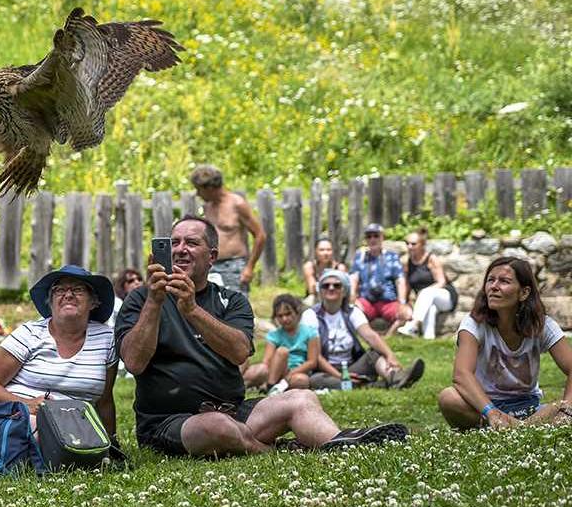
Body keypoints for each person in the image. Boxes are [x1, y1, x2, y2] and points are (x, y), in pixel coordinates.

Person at [115, 217, 406, 458]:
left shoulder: (232, 301)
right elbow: (134, 362)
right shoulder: (141, 299)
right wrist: (155, 302)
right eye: (174, 243)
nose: (180, 250)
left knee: (302, 398)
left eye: (191, 243)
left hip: (234, 412)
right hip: (169, 422)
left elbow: (239, 352)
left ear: (212, 257)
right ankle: (275, 452)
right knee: (217, 427)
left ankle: (341, 443)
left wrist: (192, 310)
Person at [0, 265, 120, 452]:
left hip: (74, 426)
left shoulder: (106, 339)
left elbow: (105, 400)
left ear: (93, 302)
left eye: (78, 289)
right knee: (39, 431)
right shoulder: (29, 334)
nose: (68, 295)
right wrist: (26, 404)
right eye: (59, 290)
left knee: (64, 441)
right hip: (14, 415)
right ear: (50, 302)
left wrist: (111, 445)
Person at [436, 256, 572, 430]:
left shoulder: (542, 325)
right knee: (448, 398)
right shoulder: (474, 324)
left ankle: (514, 429)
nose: (494, 286)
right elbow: (461, 375)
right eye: (490, 280)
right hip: (484, 407)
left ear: (524, 293)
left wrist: (566, 410)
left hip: (530, 408)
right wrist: (492, 412)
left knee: (563, 405)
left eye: (504, 281)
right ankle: (524, 429)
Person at [292, 269, 422, 390]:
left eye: (337, 285)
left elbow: (370, 336)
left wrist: (390, 356)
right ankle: (371, 385)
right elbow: (315, 355)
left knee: (374, 354)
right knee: (315, 380)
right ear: (320, 291)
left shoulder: (352, 312)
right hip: (325, 369)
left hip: (351, 366)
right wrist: (339, 376)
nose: (331, 288)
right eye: (326, 286)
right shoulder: (311, 315)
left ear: (344, 291)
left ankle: (396, 377)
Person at [190, 164, 266, 293]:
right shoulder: (207, 207)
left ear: (209, 188)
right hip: (211, 265)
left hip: (234, 266)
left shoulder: (237, 204)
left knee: (234, 303)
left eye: (199, 189)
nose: (197, 194)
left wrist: (250, 267)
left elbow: (260, 235)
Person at [241, 294, 319, 391]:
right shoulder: (274, 335)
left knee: (301, 381)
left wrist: (291, 373)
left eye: (288, 314)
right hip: (276, 370)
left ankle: (273, 386)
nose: (284, 319)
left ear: (297, 312)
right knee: (281, 353)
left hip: (297, 371)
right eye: (280, 316)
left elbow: (312, 362)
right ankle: (270, 385)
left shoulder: (310, 333)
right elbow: (267, 361)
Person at [399, 228, 456, 340]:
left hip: (445, 297)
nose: (409, 246)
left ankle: (413, 324)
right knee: (431, 308)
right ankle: (428, 338)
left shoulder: (431, 259)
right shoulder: (408, 262)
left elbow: (442, 282)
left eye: (413, 244)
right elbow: (407, 286)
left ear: (422, 245)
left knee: (426, 293)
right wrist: (404, 303)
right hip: (427, 300)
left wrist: (424, 292)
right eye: (407, 243)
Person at [349, 223, 411, 327]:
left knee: (406, 314)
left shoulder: (392, 256)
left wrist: (402, 302)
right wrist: (352, 299)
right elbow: (353, 279)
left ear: (382, 237)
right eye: (369, 236)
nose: (372, 239)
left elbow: (400, 280)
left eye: (376, 236)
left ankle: (390, 334)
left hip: (388, 301)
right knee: (353, 310)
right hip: (367, 301)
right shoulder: (360, 256)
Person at [302, 238, 345, 302]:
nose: (326, 253)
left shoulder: (340, 268)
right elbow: (312, 290)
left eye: (328, 250)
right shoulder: (309, 267)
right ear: (316, 251)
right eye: (322, 250)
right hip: (316, 298)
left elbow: (343, 289)